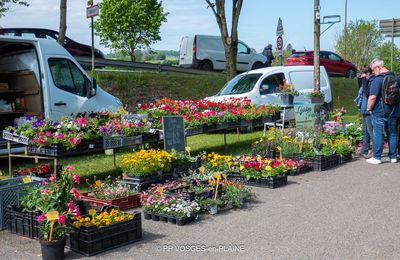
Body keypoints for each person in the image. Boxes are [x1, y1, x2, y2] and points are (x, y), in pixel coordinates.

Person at [366, 58, 400, 164]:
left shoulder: (378, 79)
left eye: (373, 70)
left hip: (379, 111)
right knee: (393, 133)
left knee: (378, 133)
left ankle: (377, 157)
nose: (373, 72)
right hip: (394, 111)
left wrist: (368, 108)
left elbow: (372, 97)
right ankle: (393, 157)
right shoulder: (396, 78)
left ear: (378, 67)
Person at [355, 65, 373, 158]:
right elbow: (360, 90)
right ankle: (364, 150)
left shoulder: (370, 80)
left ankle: (375, 151)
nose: (361, 75)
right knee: (365, 131)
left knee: (371, 131)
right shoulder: (364, 80)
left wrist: (364, 80)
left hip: (369, 109)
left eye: (363, 73)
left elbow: (367, 93)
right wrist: (361, 80)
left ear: (368, 73)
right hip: (364, 109)